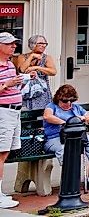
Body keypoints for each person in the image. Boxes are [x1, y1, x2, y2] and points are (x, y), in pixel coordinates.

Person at [42, 84, 89, 190]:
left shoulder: (76, 108)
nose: (68, 104)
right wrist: (66, 123)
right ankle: (69, 181)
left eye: (71, 101)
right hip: (56, 138)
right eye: (65, 101)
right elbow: (47, 116)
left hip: (78, 136)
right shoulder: (52, 106)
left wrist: (84, 118)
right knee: (65, 149)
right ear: (59, 98)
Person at [0, 32, 27, 208]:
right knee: (1, 153)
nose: (14, 46)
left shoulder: (10, 64)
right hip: (3, 112)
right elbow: (5, 87)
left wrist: (22, 82)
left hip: (15, 112)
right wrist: (7, 85)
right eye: (10, 44)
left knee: (6, 152)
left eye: (14, 44)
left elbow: (12, 87)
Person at [15, 35, 55, 111]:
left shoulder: (47, 58)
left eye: (45, 44)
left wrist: (37, 67)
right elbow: (22, 70)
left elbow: (53, 72)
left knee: (42, 114)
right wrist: (32, 56)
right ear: (32, 45)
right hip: (26, 91)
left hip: (42, 91)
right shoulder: (22, 57)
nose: (43, 46)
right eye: (40, 43)